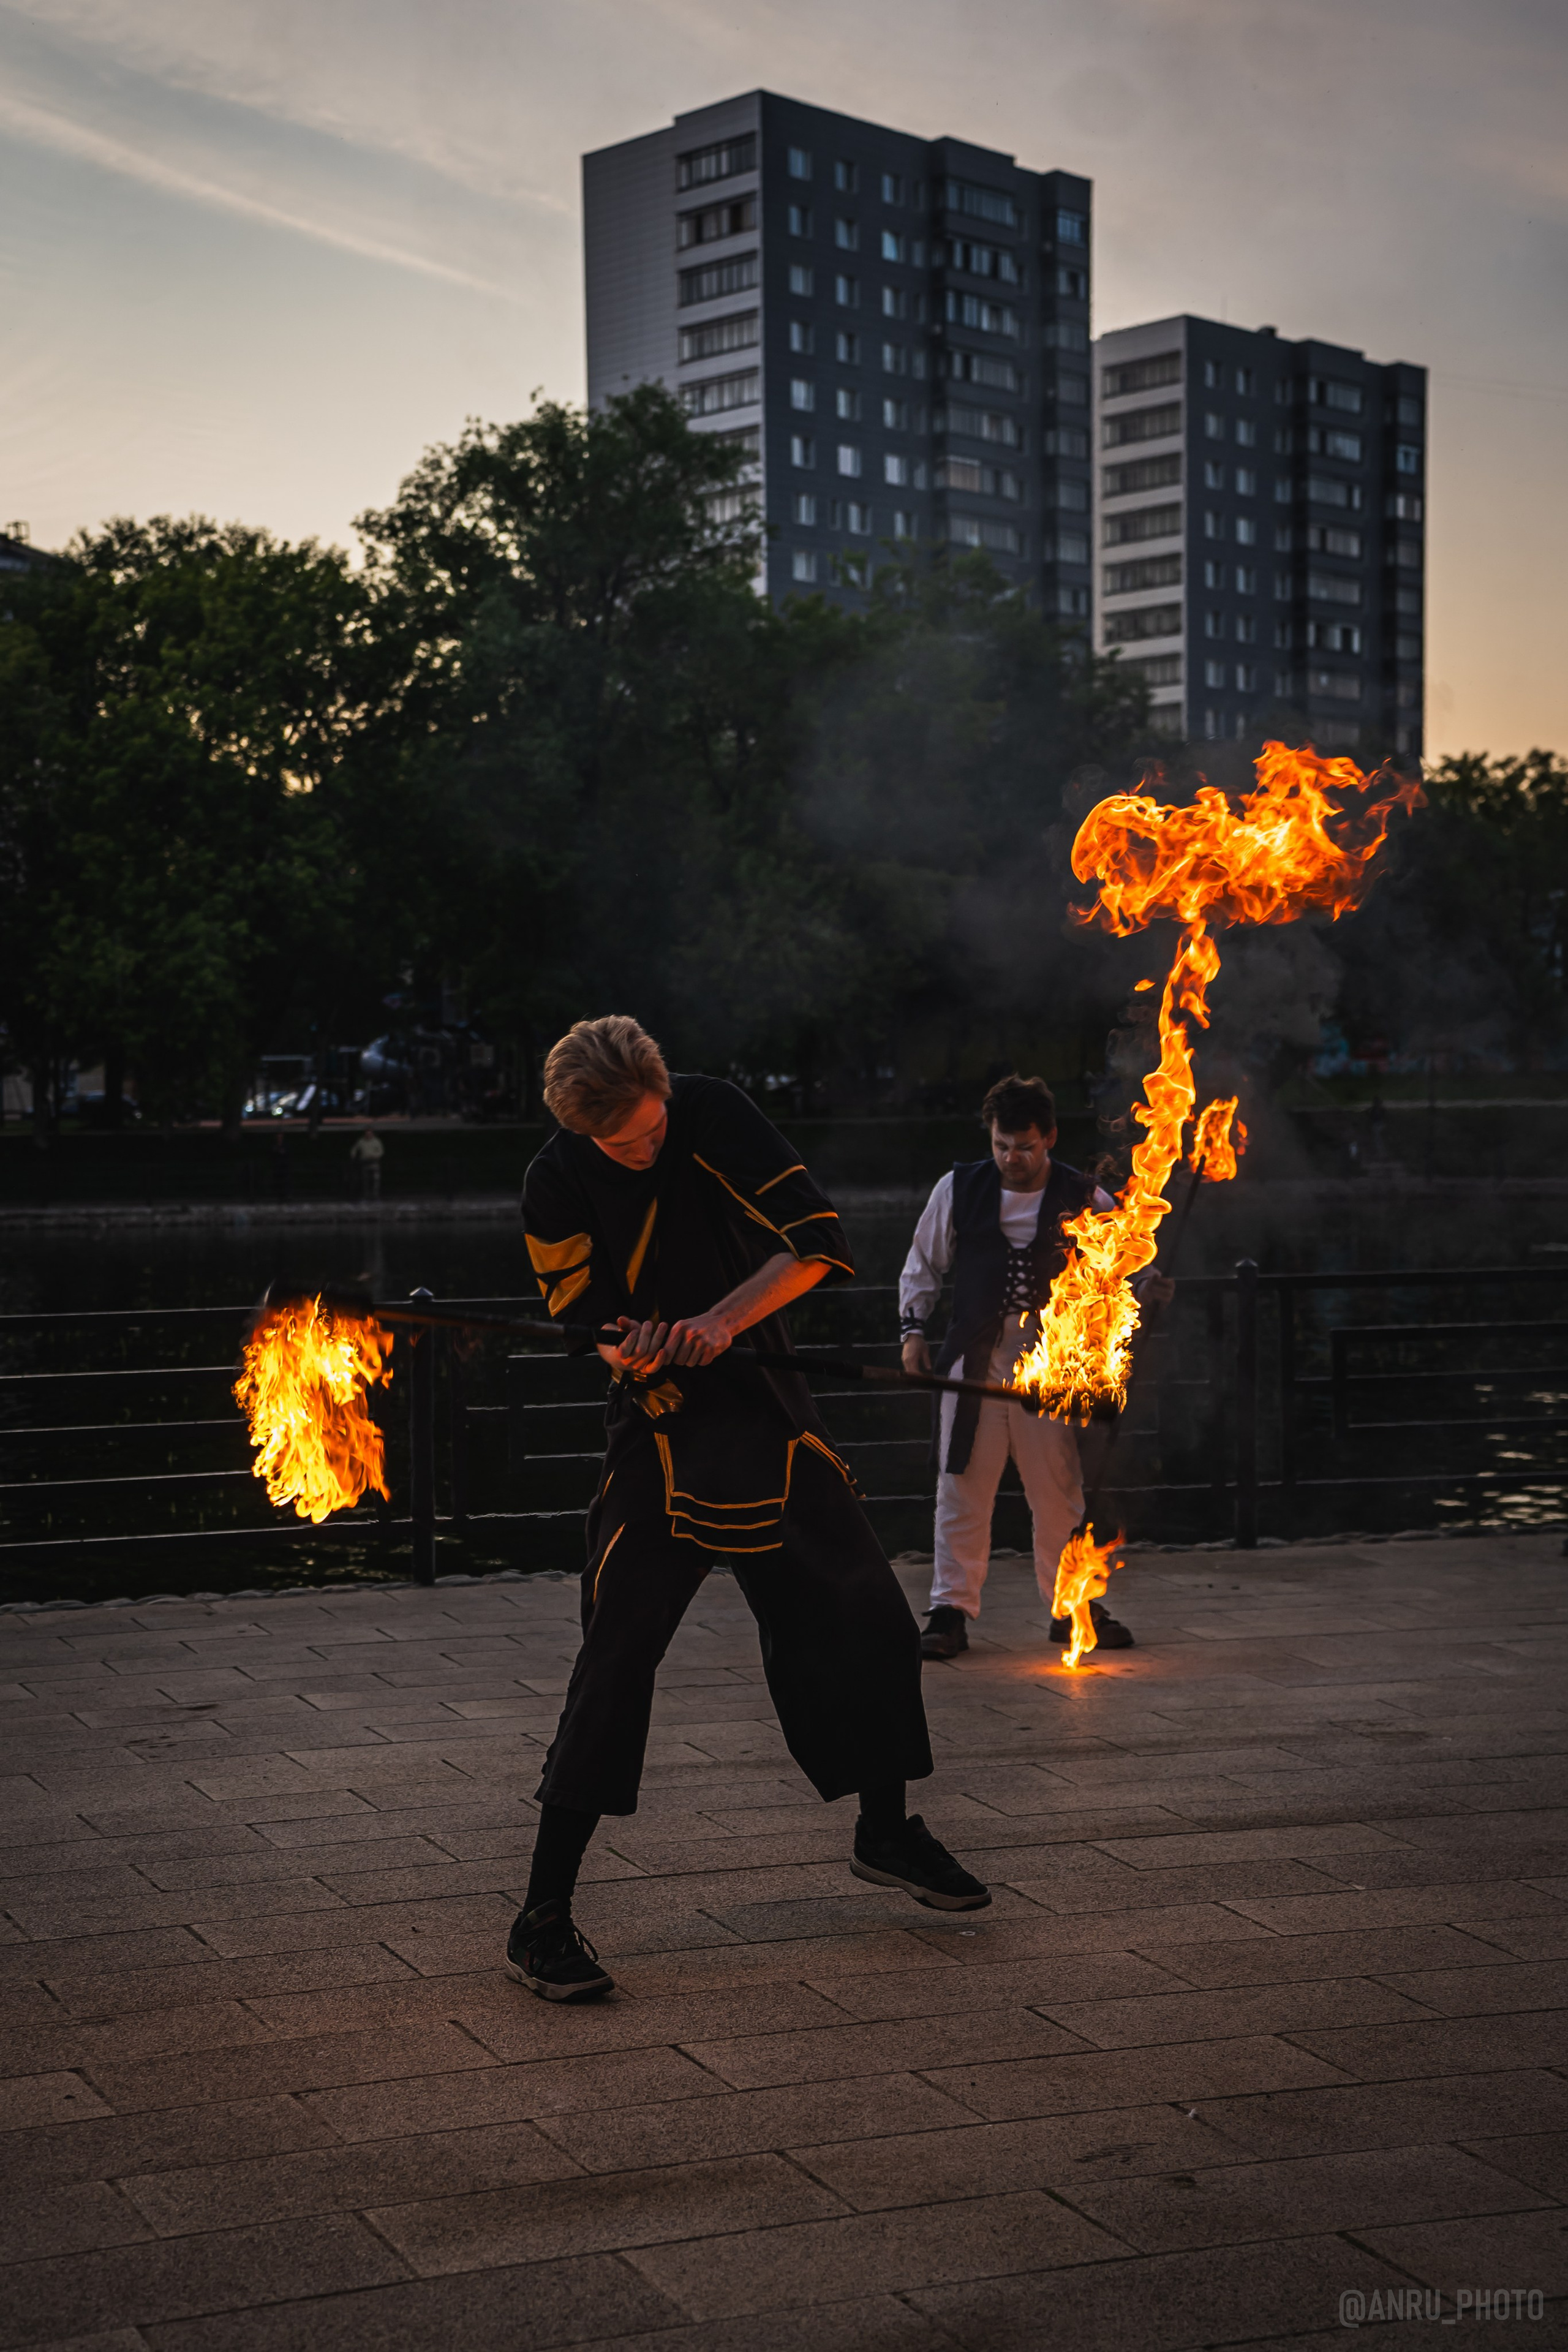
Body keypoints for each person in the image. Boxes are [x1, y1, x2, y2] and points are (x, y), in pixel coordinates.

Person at [509, 1016, 990, 2002]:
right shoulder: (553, 1181)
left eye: (653, 1126)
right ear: (583, 1131)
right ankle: (542, 1916)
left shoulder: (712, 1109)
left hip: (768, 1403)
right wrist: (632, 1345)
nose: (649, 1145)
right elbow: (587, 1323)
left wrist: (719, 1322)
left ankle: (885, 1830)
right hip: (661, 1425)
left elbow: (814, 1245)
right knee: (617, 1653)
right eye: (628, 1142)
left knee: (865, 1614)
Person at [899, 1073, 1171, 1662]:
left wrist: (1149, 1286)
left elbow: (1126, 1257)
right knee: (962, 1489)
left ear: (1048, 1138)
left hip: (1051, 1367)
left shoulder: (1082, 1194)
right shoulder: (959, 1188)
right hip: (971, 1364)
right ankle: (949, 1611)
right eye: (1000, 1145)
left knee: (1058, 1492)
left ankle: (1069, 1605)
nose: (1010, 1158)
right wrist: (913, 1330)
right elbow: (923, 1262)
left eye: (1023, 1146)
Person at [349, 1123, 384, 1202]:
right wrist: (353, 1155)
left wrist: (374, 1156)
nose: (368, 1134)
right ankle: (366, 1196)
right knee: (365, 1181)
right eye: (367, 1132)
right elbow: (354, 1149)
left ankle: (375, 1196)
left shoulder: (376, 1141)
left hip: (374, 1163)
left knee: (375, 1181)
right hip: (365, 1163)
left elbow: (381, 1152)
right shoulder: (361, 1141)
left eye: (370, 1132)